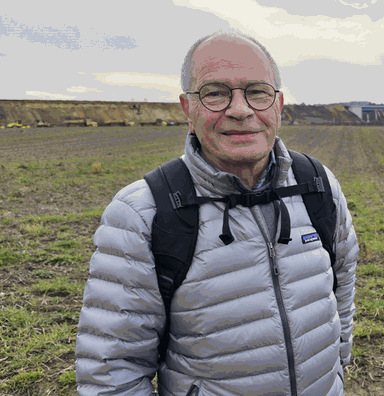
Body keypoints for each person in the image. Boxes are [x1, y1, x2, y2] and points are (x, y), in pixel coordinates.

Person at [75, 30, 358, 396]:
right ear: (187, 109)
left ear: (279, 105)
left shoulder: (317, 185)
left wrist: (337, 366)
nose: (240, 110)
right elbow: (111, 372)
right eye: (215, 93)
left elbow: (342, 285)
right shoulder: (140, 214)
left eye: (257, 91)